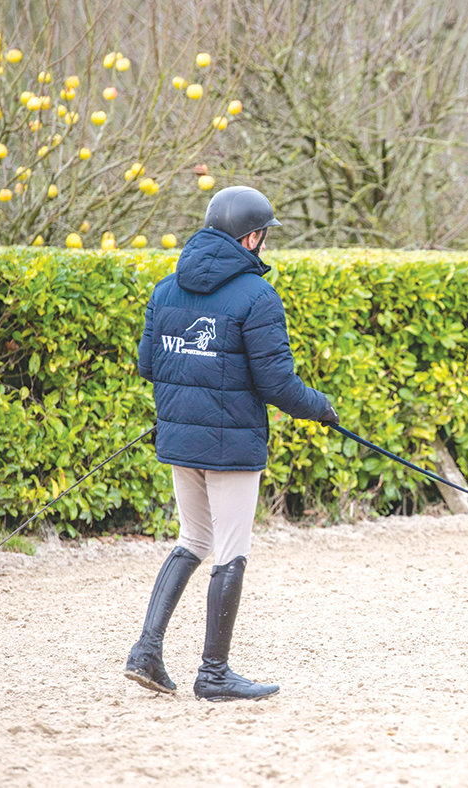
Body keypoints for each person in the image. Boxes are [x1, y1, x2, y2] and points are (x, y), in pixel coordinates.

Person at [125, 186, 338, 701]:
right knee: (230, 550)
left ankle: (146, 652)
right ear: (252, 236)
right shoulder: (257, 296)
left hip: (180, 440)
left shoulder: (165, 289)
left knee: (193, 540)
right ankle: (214, 673)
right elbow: (277, 386)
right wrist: (322, 408)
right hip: (231, 448)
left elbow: (148, 366)